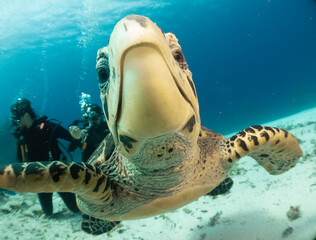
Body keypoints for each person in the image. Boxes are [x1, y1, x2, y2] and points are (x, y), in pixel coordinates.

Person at [10, 98, 80, 216]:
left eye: (17, 119)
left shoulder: (49, 127)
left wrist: (77, 137)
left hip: (59, 174)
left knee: (75, 209)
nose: (16, 123)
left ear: (26, 115)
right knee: (48, 212)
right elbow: (20, 161)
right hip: (39, 179)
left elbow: (72, 139)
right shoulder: (22, 137)